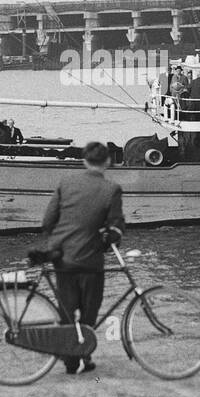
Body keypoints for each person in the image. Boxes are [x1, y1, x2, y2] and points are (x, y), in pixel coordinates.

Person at [40, 141, 125, 375]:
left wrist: (57, 241)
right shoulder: (111, 189)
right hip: (89, 260)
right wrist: (108, 241)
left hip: (62, 258)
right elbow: (116, 229)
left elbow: (48, 221)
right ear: (107, 162)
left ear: (84, 160)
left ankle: (71, 361)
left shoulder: (66, 182)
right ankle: (83, 355)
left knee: (66, 309)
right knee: (89, 312)